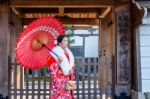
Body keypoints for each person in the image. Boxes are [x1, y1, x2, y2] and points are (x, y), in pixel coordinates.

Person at [47, 35, 75, 99]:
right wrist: (58, 62)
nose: (67, 42)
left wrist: (71, 69)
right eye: (65, 41)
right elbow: (51, 66)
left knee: (67, 93)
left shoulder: (68, 52)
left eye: (67, 41)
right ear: (59, 43)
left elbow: (71, 64)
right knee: (59, 95)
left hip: (67, 77)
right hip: (59, 79)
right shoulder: (54, 52)